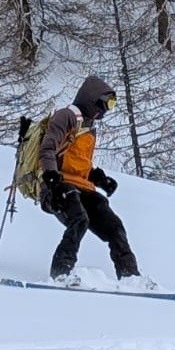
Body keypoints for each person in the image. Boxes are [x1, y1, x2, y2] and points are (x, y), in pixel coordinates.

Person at [38, 74, 142, 284]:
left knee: (114, 226)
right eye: (107, 103)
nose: (107, 110)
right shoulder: (65, 117)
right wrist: (51, 181)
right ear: (93, 99)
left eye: (111, 105)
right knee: (79, 219)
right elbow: (47, 149)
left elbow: (77, 161)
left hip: (82, 188)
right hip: (57, 188)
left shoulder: (89, 127)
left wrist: (98, 178)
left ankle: (131, 277)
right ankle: (60, 273)